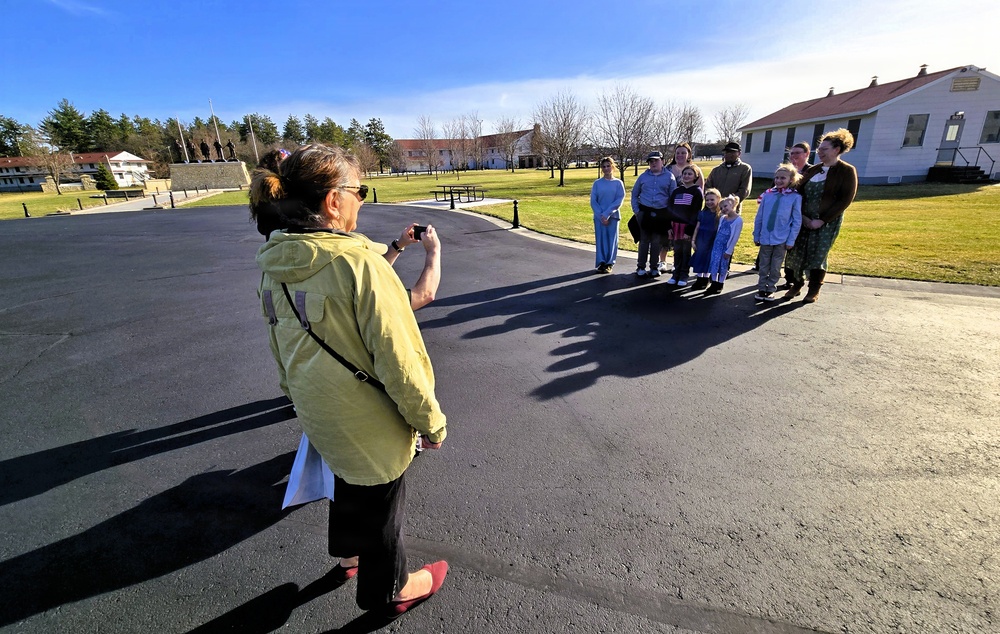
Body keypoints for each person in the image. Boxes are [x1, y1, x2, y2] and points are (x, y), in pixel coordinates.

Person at [252, 144, 449, 618]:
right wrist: (431, 423)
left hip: (319, 410)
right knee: (382, 496)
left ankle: (348, 555)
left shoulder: (275, 264)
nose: (362, 199)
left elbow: (281, 347)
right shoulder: (361, 266)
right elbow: (402, 363)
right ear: (331, 201)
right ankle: (391, 588)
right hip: (369, 418)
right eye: (358, 190)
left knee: (345, 480)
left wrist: (297, 399)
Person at [783, 129, 858, 303]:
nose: (820, 152)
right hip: (803, 219)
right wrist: (802, 217)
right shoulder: (813, 170)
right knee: (796, 253)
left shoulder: (846, 171)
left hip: (825, 222)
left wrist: (822, 220)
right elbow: (798, 193)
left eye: (825, 149)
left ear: (836, 150)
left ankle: (814, 288)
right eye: (819, 149)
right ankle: (796, 283)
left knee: (818, 254)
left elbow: (845, 199)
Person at [752, 164, 802, 302]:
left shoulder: (795, 197)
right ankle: (762, 288)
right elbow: (759, 217)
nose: (779, 180)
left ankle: (770, 288)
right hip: (765, 238)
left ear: (791, 179)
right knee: (763, 265)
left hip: (781, 239)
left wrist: (791, 240)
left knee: (775, 266)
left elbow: (796, 221)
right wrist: (757, 235)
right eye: (777, 178)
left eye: (783, 178)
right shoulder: (768, 195)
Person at [658, 143, 704, 273]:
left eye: (683, 152)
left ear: (689, 154)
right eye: (678, 152)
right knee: (667, 238)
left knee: (684, 243)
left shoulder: (695, 169)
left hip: (687, 214)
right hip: (669, 209)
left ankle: (679, 267)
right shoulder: (668, 169)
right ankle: (662, 261)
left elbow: (700, 191)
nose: (680, 155)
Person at [630, 150, 677, 278]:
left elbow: (673, 197)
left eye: (656, 160)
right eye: (651, 161)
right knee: (644, 240)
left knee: (657, 241)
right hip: (644, 212)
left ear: (662, 161)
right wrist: (637, 211)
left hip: (661, 213)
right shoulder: (643, 177)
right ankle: (640, 267)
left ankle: (654, 267)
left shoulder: (669, 177)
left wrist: (669, 215)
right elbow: (634, 194)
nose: (653, 163)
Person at [777, 142, 812, 290]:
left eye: (797, 153)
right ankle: (789, 278)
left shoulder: (811, 171)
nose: (794, 156)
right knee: (786, 249)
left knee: (798, 249)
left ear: (807, 154)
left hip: (803, 215)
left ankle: (799, 280)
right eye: (792, 153)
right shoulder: (785, 171)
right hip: (784, 217)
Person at [666, 164, 704, 286]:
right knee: (677, 251)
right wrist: (669, 227)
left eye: (690, 174)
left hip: (687, 227)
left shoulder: (697, 191)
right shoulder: (677, 191)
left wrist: (689, 230)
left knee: (685, 251)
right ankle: (675, 273)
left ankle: (684, 274)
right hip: (675, 227)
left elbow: (695, 212)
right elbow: (670, 209)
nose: (686, 176)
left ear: (695, 176)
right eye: (685, 174)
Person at [590, 156, 625, 274]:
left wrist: (607, 214)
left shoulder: (618, 183)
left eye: (608, 166)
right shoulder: (597, 183)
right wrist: (601, 215)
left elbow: (619, 200)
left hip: (613, 217)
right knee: (601, 240)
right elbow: (593, 201)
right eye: (604, 167)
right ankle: (601, 262)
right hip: (599, 218)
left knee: (611, 240)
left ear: (613, 167)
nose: (606, 169)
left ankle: (609, 263)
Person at [703, 195, 743, 295]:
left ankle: (720, 283)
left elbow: (735, 237)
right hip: (717, 244)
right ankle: (714, 283)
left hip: (726, 246)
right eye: (721, 208)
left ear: (733, 205)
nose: (723, 209)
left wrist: (729, 250)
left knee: (723, 265)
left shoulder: (738, 220)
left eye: (725, 206)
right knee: (714, 263)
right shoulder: (723, 218)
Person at [689, 188, 722, 290]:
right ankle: (699, 279)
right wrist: (693, 240)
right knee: (700, 258)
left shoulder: (720, 215)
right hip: (702, 238)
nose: (709, 202)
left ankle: (706, 279)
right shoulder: (702, 213)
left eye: (712, 200)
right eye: (707, 200)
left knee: (709, 259)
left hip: (713, 240)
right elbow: (697, 227)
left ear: (718, 199)